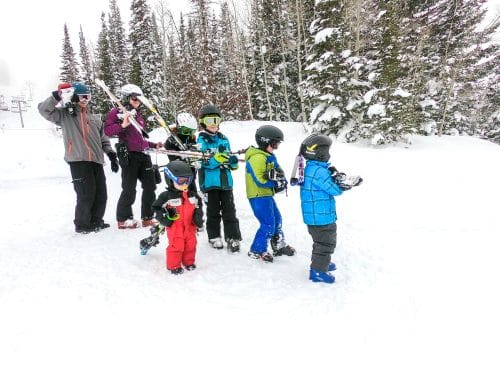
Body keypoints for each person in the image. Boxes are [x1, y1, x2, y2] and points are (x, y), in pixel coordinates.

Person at [38, 81, 118, 234]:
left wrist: (111, 154)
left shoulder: (94, 117)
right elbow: (44, 110)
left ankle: (96, 221)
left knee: (101, 193)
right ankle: (82, 224)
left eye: (87, 96)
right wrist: (57, 96)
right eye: (81, 96)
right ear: (74, 96)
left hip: (96, 160)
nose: (85, 99)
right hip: (78, 159)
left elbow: (103, 138)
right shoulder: (64, 114)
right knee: (86, 193)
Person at [299, 134, 360, 283]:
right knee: (326, 243)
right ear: (320, 153)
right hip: (321, 217)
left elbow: (328, 181)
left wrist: (334, 174)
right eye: (327, 151)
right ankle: (318, 271)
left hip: (315, 216)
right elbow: (334, 190)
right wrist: (345, 185)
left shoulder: (312, 168)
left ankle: (321, 262)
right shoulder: (318, 172)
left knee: (319, 242)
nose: (329, 155)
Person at [104, 84, 163, 229]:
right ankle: (124, 219)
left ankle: (147, 217)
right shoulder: (117, 113)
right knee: (129, 188)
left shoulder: (139, 116)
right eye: (134, 98)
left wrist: (153, 145)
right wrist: (123, 124)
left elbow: (139, 139)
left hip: (143, 155)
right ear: (127, 97)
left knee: (150, 186)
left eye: (139, 99)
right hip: (129, 155)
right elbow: (108, 130)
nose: (137, 101)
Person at [244, 125, 296, 262]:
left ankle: (278, 245)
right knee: (268, 224)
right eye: (274, 144)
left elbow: (278, 172)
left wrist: (281, 180)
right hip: (257, 195)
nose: (276, 147)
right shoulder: (257, 158)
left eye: (277, 144)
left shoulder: (268, 156)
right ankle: (257, 250)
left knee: (277, 220)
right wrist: (275, 183)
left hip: (266, 194)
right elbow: (260, 180)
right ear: (264, 141)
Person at [196, 104, 241, 252]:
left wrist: (232, 163)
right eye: (210, 121)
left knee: (229, 211)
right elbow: (201, 162)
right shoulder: (201, 140)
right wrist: (216, 159)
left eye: (216, 120)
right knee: (213, 211)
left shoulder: (224, 139)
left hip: (225, 182)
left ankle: (232, 237)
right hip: (210, 183)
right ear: (203, 122)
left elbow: (228, 158)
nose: (214, 124)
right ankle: (214, 236)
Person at [152, 160, 203, 275]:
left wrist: (198, 217)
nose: (185, 184)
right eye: (181, 181)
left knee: (191, 244)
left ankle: (188, 262)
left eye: (188, 180)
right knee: (177, 246)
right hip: (175, 227)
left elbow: (198, 206)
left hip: (190, 227)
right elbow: (156, 207)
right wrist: (164, 219)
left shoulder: (193, 195)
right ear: (170, 179)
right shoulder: (167, 196)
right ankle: (173, 265)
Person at [164, 112, 199, 192]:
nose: (189, 134)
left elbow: (196, 154)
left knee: (195, 200)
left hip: (191, 177)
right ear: (179, 127)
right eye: (186, 131)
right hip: (177, 179)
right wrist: (185, 156)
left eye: (192, 131)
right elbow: (173, 159)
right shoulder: (171, 141)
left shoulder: (191, 139)